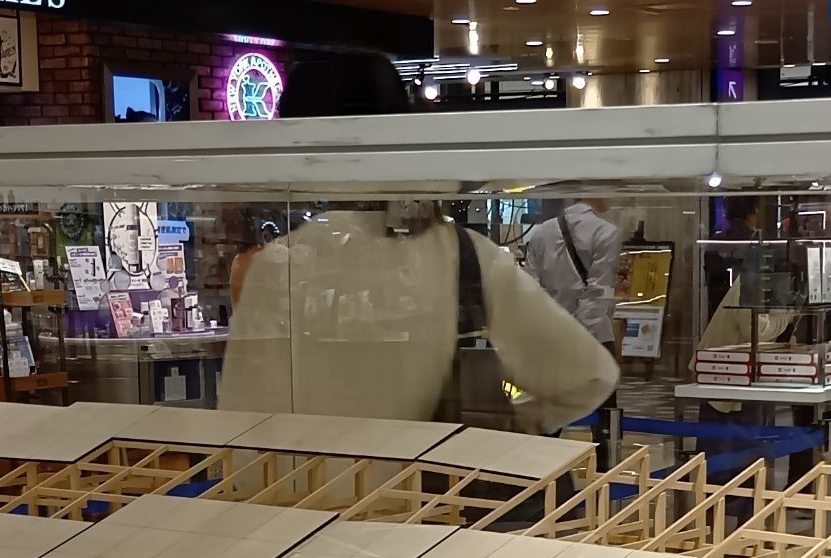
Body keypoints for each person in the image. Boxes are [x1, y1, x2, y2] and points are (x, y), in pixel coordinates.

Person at [220, 51, 617, 434]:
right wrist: (501, 432)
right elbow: (589, 376)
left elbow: (242, 424)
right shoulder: (465, 256)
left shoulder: (278, 267)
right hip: (432, 478)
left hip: (307, 479)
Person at [523, 198, 622, 352]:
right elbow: (597, 295)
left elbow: (529, 287)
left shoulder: (541, 231)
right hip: (590, 339)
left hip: (549, 334)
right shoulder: (606, 232)